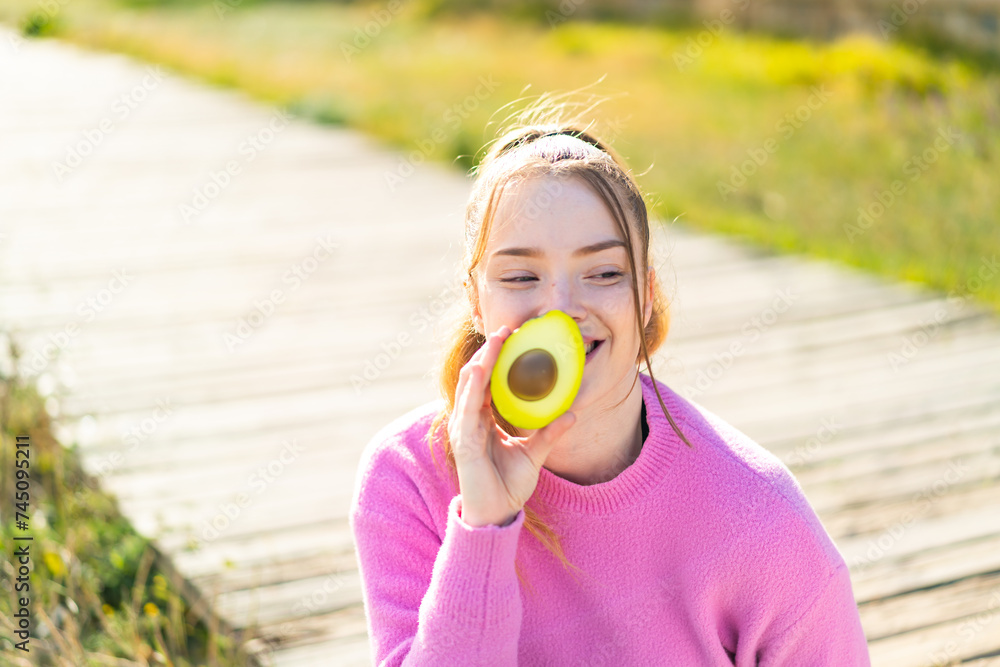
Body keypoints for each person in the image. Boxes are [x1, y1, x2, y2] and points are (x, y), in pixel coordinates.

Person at [349, 103, 871, 666]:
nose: (560, 310)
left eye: (603, 274)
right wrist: (483, 529)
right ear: (477, 301)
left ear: (645, 298)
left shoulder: (763, 521)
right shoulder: (407, 476)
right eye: (521, 276)